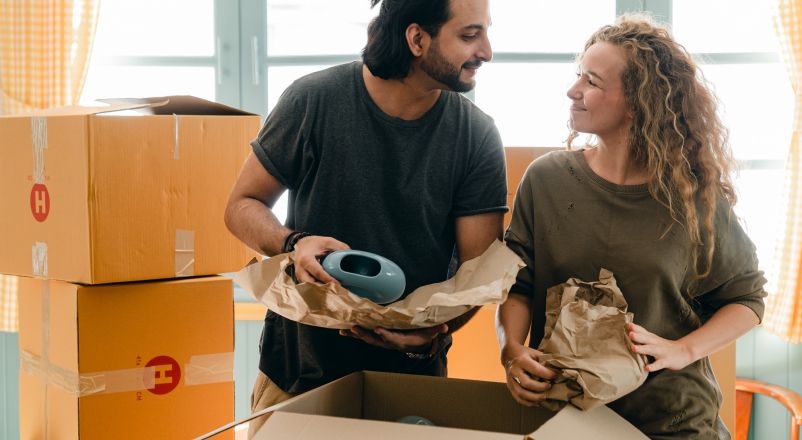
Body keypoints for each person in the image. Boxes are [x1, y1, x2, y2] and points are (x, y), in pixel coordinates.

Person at [224, 0, 505, 436]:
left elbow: (479, 274)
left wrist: (432, 333)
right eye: (470, 35)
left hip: (410, 379)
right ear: (416, 39)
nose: (486, 51)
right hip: (297, 372)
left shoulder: (477, 135)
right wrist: (293, 242)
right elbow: (242, 206)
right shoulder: (313, 100)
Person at [496, 15, 766, 439]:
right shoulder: (545, 179)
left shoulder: (694, 197)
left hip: (671, 422)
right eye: (577, 76)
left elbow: (747, 298)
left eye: (591, 81)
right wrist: (511, 352)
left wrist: (684, 350)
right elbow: (516, 284)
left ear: (639, 101)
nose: (573, 91)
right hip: (565, 418)